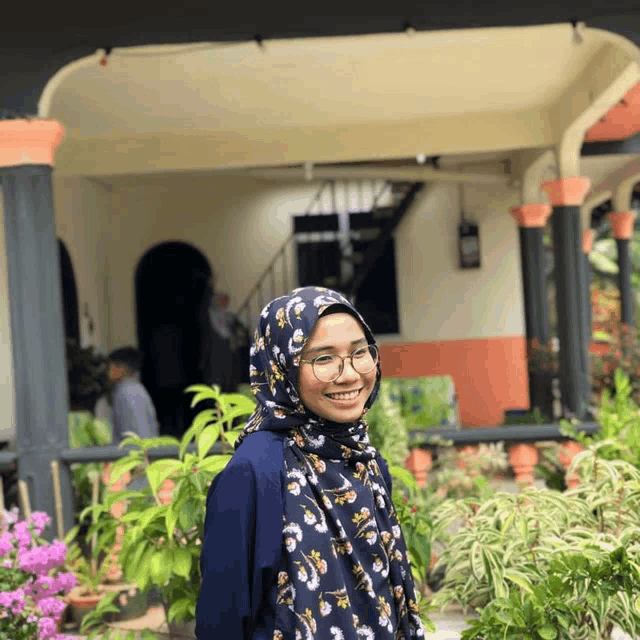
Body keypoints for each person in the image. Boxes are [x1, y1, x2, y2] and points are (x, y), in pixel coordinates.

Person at [196, 286, 424, 639]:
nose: (349, 374)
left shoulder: (365, 461)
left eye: (360, 352)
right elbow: (220, 622)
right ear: (283, 368)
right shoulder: (255, 473)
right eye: (323, 358)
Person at [107, 346, 160, 443]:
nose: (109, 371)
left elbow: (137, 432)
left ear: (123, 368)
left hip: (136, 453)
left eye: (112, 367)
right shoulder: (137, 389)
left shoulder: (126, 392)